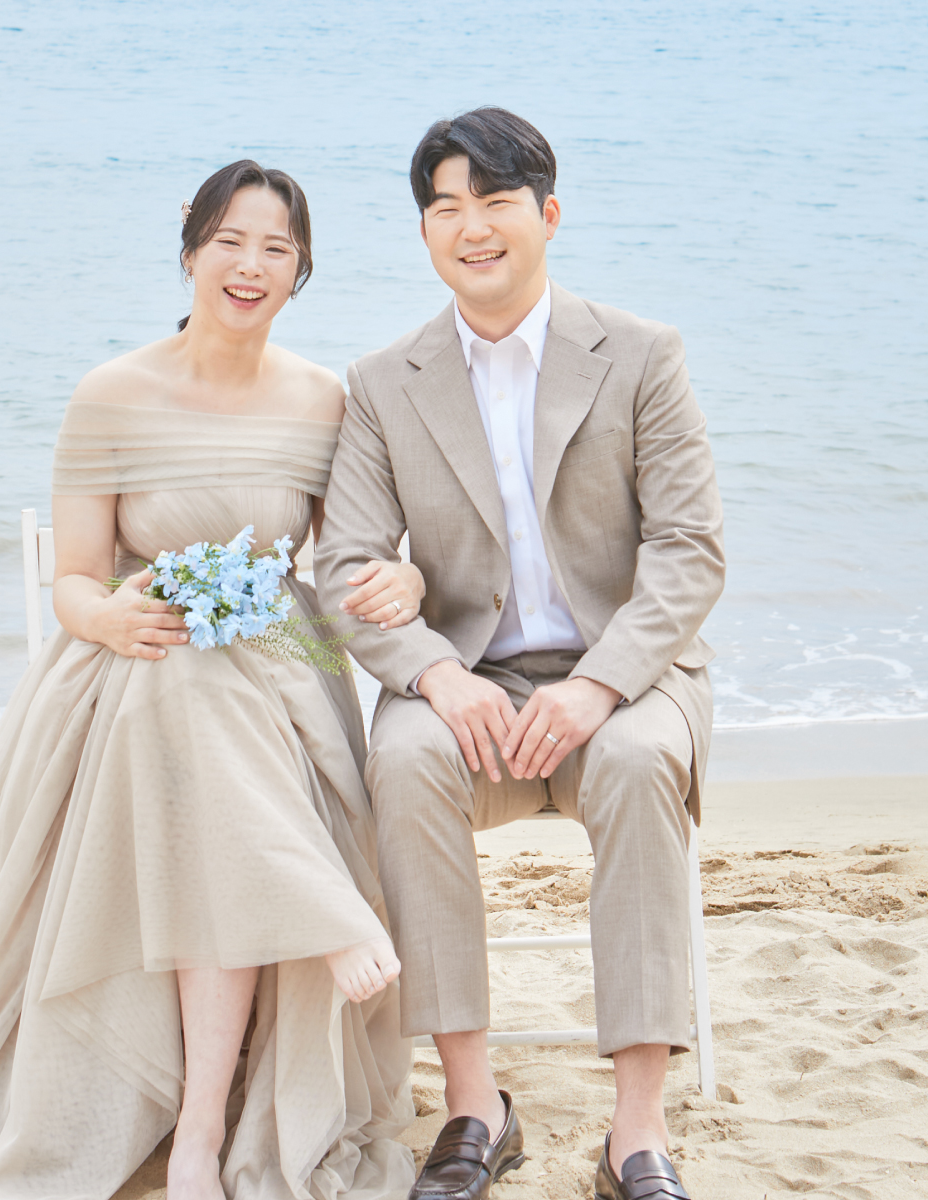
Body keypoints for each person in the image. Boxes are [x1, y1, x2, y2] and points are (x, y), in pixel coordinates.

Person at [0, 161, 425, 1200]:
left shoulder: (322, 400)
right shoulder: (111, 393)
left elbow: (345, 565)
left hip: (280, 673)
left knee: (209, 705)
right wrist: (110, 613)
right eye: (231, 242)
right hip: (132, 660)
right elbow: (75, 579)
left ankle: (204, 1121)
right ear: (190, 246)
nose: (250, 267)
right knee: (180, 684)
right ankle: (297, 947)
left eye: (277, 250)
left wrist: (408, 575)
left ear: (301, 270)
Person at [315, 108, 725, 1200]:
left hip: (626, 679)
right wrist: (437, 674)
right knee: (403, 759)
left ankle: (636, 1127)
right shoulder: (382, 381)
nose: (473, 227)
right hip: (469, 685)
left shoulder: (642, 354)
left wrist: (599, 686)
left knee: (637, 762)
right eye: (447, 208)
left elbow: (689, 553)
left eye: (496, 202)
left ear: (548, 214)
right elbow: (345, 564)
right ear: (424, 232)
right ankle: (474, 1105)